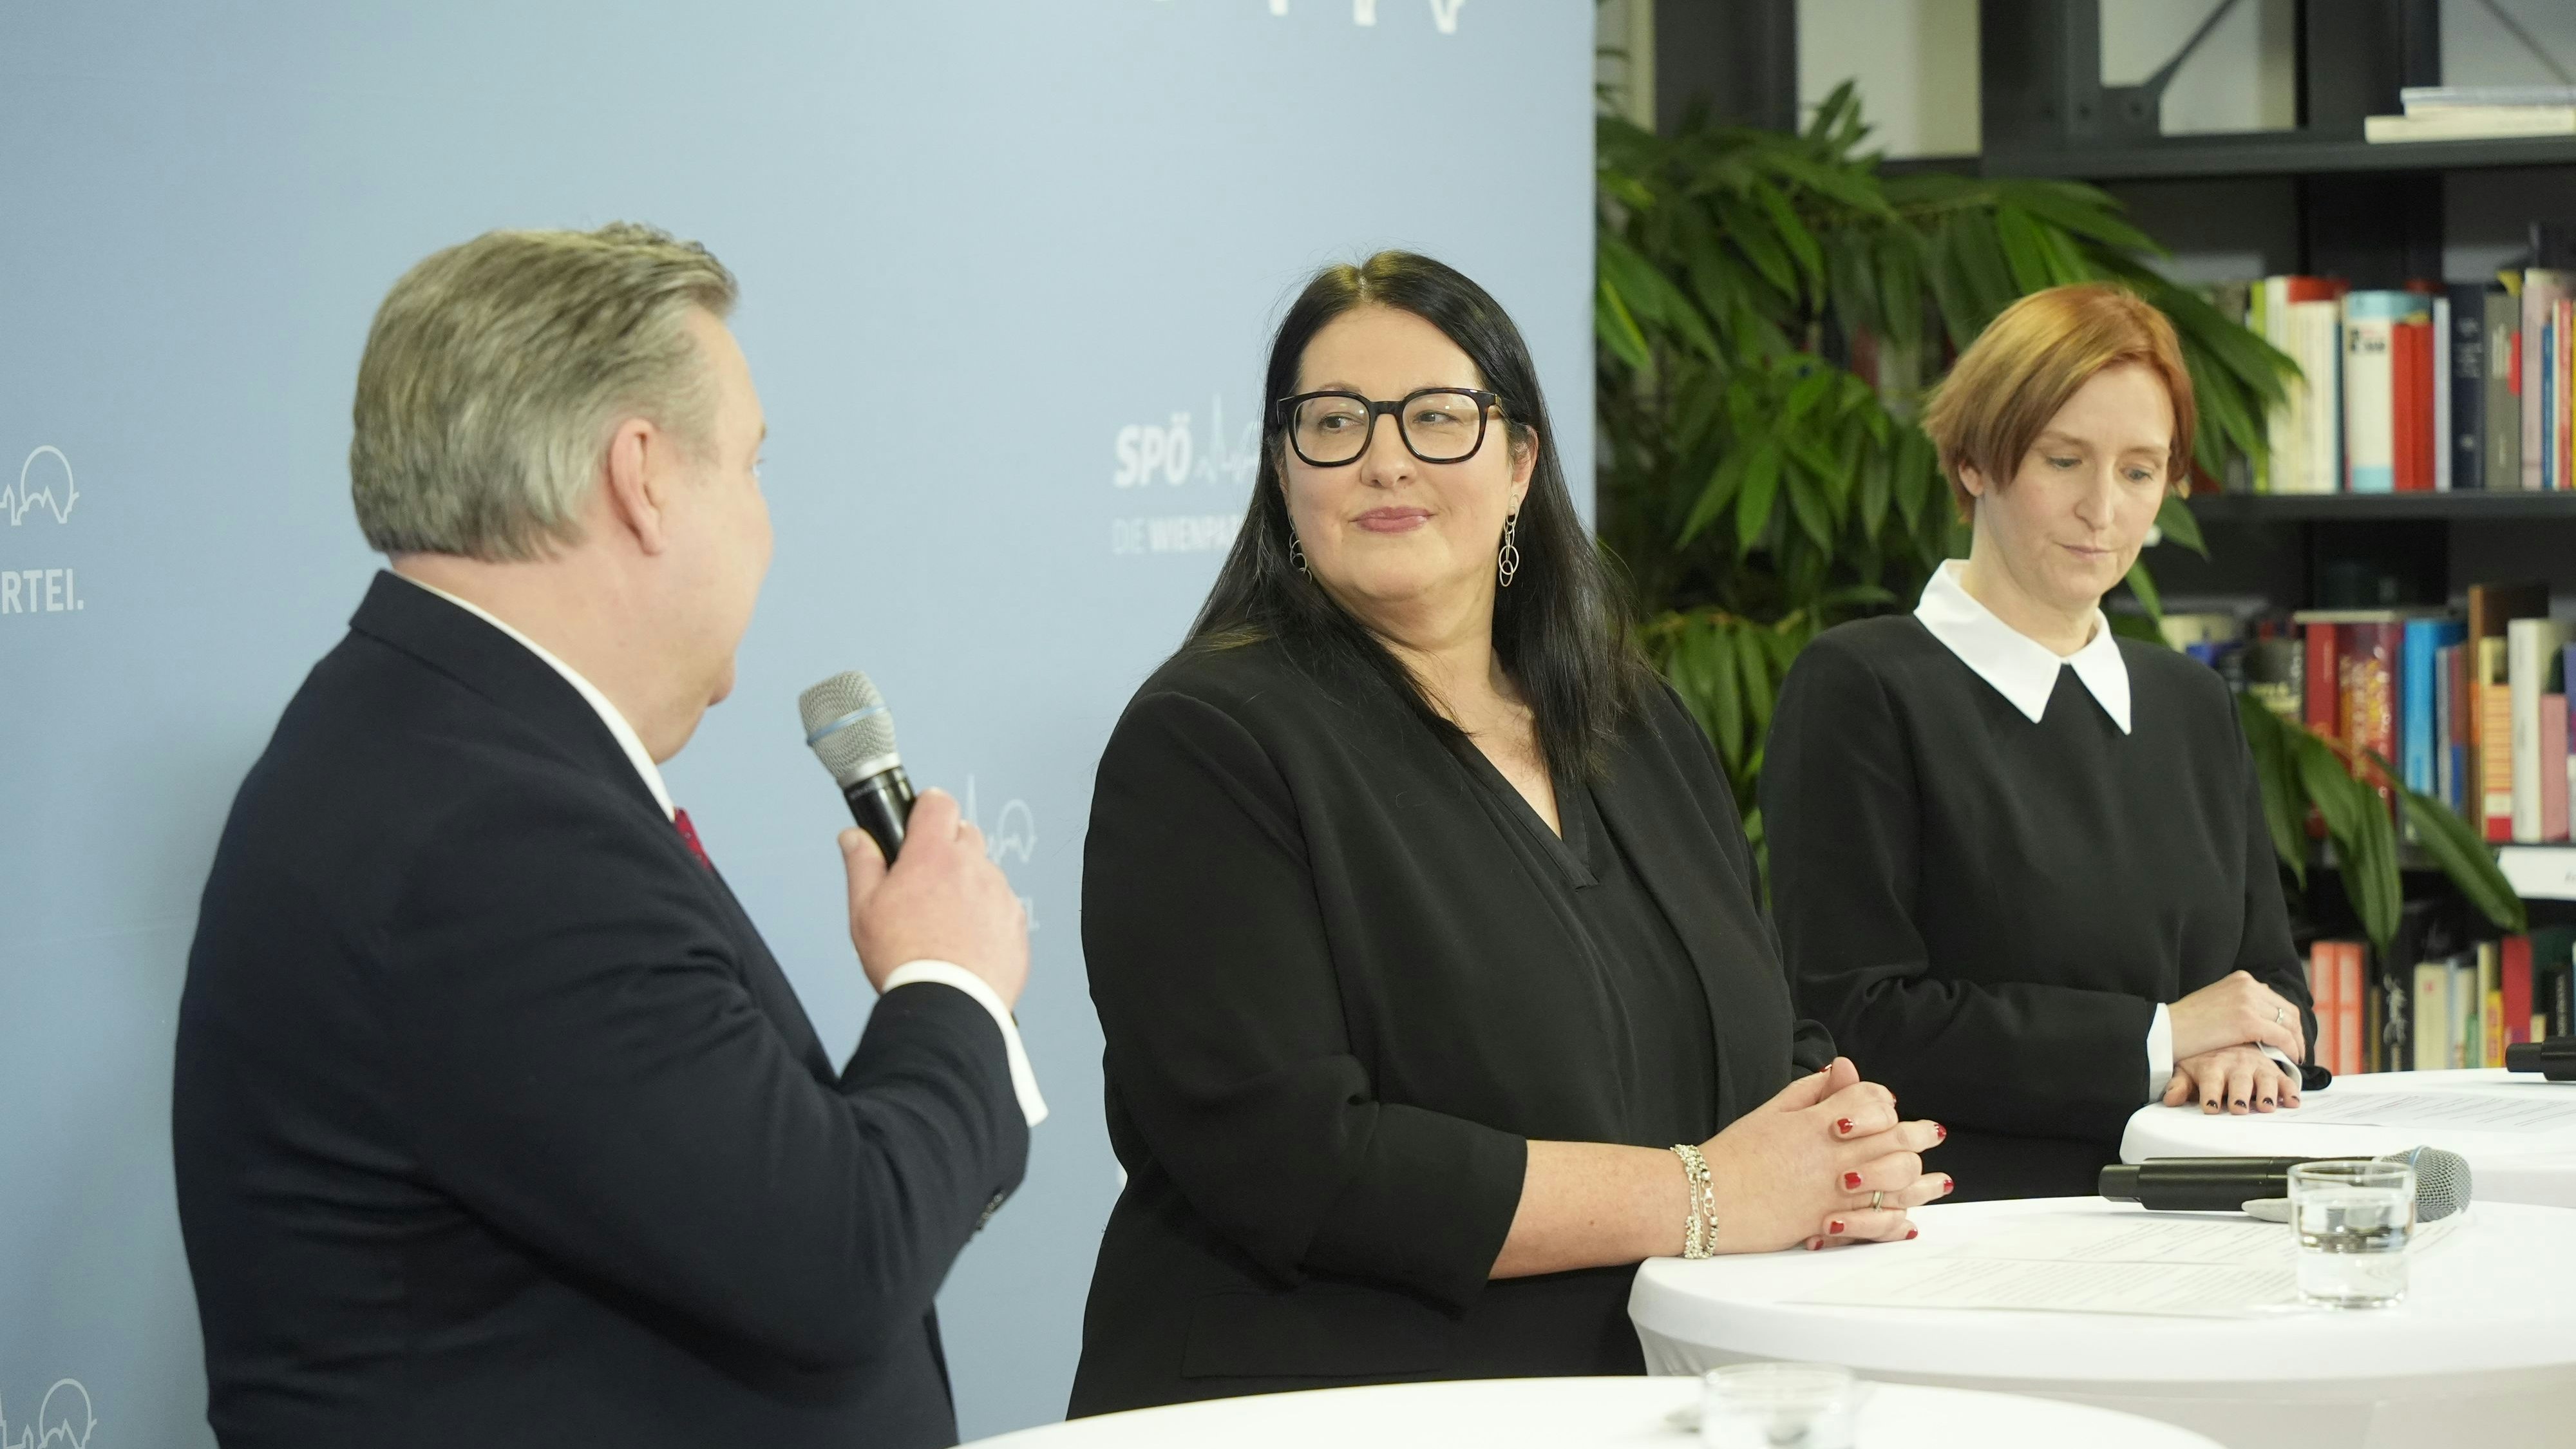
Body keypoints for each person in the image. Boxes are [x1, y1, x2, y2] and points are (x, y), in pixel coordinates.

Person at [171, 223, 1045, 1448]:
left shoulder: (452, 749)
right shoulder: (490, 831)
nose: (768, 527)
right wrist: (951, 981)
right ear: (641, 474)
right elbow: (835, 1256)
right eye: (748, 466)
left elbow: (738, 1204)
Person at [1070, 252, 1947, 1416]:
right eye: (1333, 422)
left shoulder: (1635, 720)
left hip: (1636, 1395)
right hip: (1321, 1404)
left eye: (1438, 418)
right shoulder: (1206, 742)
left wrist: (1835, 1143)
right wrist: (1704, 1196)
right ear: (1284, 468)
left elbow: (1760, 1031)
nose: (1385, 457)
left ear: (1521, 459)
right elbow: (1296, 1161)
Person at [1760, 283, 2317, 1204]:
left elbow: (2272, 987)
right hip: (1978, 1226)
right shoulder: (1862, 685)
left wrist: (2251, 1052)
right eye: (2065, 460)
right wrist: (2162, 1040)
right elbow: (1854, 1016)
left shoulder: (2189, 702)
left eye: (2141, 472)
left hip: (2214, 1206)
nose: (2104, 509)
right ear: (1976, 457)